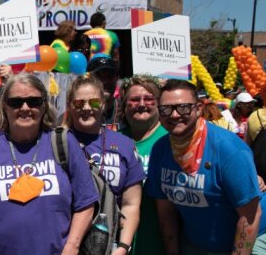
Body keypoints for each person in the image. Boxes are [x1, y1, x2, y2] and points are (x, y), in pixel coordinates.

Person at [0, 73, 99, 254]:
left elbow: (86, 202)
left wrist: (72, 247)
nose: (25, 108)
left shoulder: (64, 143)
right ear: (5, 107)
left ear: (43, 106)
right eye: (16, 102)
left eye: (34, 101)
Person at [145, 79, 264, 254]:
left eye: (183, 107)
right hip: (197, 243)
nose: (174, 114)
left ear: (199, 108)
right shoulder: (160, 149)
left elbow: (250, 216)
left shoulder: (229, 150)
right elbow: (165, 210)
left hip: (253, 239)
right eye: (166, 109)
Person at [65, 74, 145, 255]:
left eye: (93, 102)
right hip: (65, 244)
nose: (86, 108)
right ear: (70, 105)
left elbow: (131, 204)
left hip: (109, 243)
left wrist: (123, 247)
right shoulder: (56, 142)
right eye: (78, 103)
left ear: (103, 103)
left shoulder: (124, 145)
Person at [119, 75, 167, 255]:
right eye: (134, 99)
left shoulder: (170, 137)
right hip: (123, 243)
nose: (141, 103)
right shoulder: (115, 139)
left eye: (148, 98)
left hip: (161, 242)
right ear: (125, 105)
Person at [86, 55, 120, 129]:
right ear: (88, 79)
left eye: (109, 76)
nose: (105, 82)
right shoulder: (80, 110)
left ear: (117, 78)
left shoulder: (125, 109)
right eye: (98, 77)